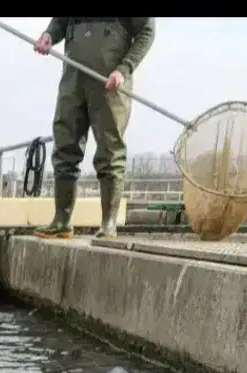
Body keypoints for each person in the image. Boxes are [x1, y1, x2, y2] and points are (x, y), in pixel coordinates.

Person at [33, 17, 155, 240]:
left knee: (110, 150)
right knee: (65, 146)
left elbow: (147, 32)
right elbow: (61, 21)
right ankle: (62, 220)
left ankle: (108, 223)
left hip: (110, 82)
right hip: (73, 79)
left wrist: (124, 69)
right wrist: (49, 35)